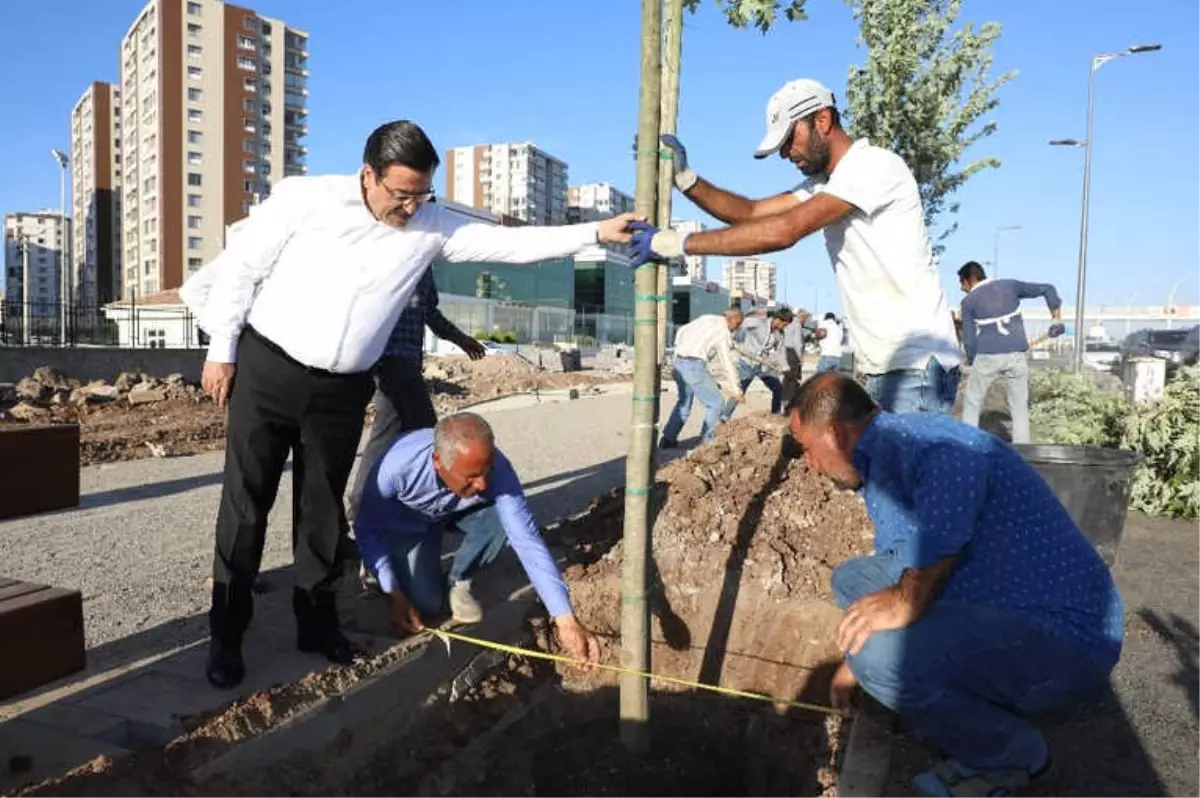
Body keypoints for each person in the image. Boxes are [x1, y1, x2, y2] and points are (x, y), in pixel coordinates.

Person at [181, 120, 637, 689]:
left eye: (423, 194)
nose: (412, 206)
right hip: (268, 367)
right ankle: (227, 636)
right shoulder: (307, 200)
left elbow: (514, 245)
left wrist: (597, 232)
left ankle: (317, 625)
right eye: (402, 194)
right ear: (368, 175)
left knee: (322, 513)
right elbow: (241, 269)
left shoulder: (430, 225)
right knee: (247, 506)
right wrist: (221, 350)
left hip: (343, 388)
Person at [788, 374, 1123, 797]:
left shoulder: (920, 444)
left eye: (806, 449)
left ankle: (1014, 756)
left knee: (877, 656)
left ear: (835, 433)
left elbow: (960, 463)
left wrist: (899, 610)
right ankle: (958, 686)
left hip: (1068, 638)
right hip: (1000, 596)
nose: (808, 464)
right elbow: (907, 552)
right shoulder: (882, 453)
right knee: (853, 580)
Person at [628, 78, 962, 413]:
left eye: (790, 139)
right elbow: (751, 213)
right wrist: (686, 181)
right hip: (887, 364)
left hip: (917, 365)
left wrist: (674, 243)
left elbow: (786, 231)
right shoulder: (825, 184)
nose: (786, 153)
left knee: (904, 465)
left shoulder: (873, 166)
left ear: (823, 120)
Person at [355, 413, 601, 663]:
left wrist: (565, 619)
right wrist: (393, 590)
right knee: (426, 604)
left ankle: (459, 578)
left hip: (455, 511)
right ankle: (380, 567)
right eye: (471, 476)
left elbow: (526, 539)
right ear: (438, 461)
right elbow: (366, 529)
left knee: (501, 518)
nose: (483, 484)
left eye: (486, 471)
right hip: (409, 522)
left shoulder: (497, 468)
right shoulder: (395, 469)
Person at [958, 261, 1065, 444]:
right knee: (1019, 408)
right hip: (1016, 355)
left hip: (987, 356)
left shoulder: (968, 302)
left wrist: (971, 360)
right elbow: (1047, 289)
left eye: (962, 283)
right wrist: (1055, 319)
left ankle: (968, 447)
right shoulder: (1010, 285)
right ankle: (1023, 452)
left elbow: (969, 340)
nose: (962, 289)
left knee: (973, 401)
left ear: (970, 280)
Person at [660, 308, 744, 448]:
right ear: (731, 319)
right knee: (716, 403)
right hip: (694, 365)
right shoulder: (723, 333)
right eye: (738, 323)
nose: (738, 327)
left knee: (684, 403)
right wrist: (737, 390)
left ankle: (668, 439)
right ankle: (707, 443)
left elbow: (682, 330)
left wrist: (678, 348)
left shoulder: (706, 317)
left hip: (679, 362)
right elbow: (727, 363)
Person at [725, 306, 792, 418]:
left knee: (778, 388)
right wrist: (731, 338)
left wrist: (785, 368)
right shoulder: (758, 323)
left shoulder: (779, 334)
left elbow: (780, 352)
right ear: (778, 319)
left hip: (763, 366)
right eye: (784, 324)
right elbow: (740, 323)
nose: (785, 327)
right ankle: (724, 417)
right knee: (739, 392)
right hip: (747, 364)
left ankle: (775, 415)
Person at [780, 307, 815, 407]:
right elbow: (798, 343)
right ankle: (791, 402)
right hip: (793, 353)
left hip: (785, 351)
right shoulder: (797, 324)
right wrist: (800, 358)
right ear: (802, 317)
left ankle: (784, 400)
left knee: (787, 378)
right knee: (794, 379)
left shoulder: (789, 323)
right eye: (806, 318)